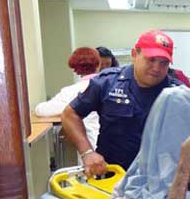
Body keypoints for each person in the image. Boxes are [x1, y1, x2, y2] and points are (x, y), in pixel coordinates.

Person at [62, 30, 182, 175]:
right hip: (112, 174)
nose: (156, 68)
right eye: (151, 60)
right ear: (134, 54)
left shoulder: (178, 93)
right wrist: (87, 152)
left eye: (164, 63)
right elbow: (70, 115)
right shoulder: (107, 83)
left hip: (157, 178)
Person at [35, 47, 101, 151]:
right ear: (98, 65)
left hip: (91, 148)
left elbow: (41, 110)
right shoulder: (110, 86)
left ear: (75, 69)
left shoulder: (71, 92)